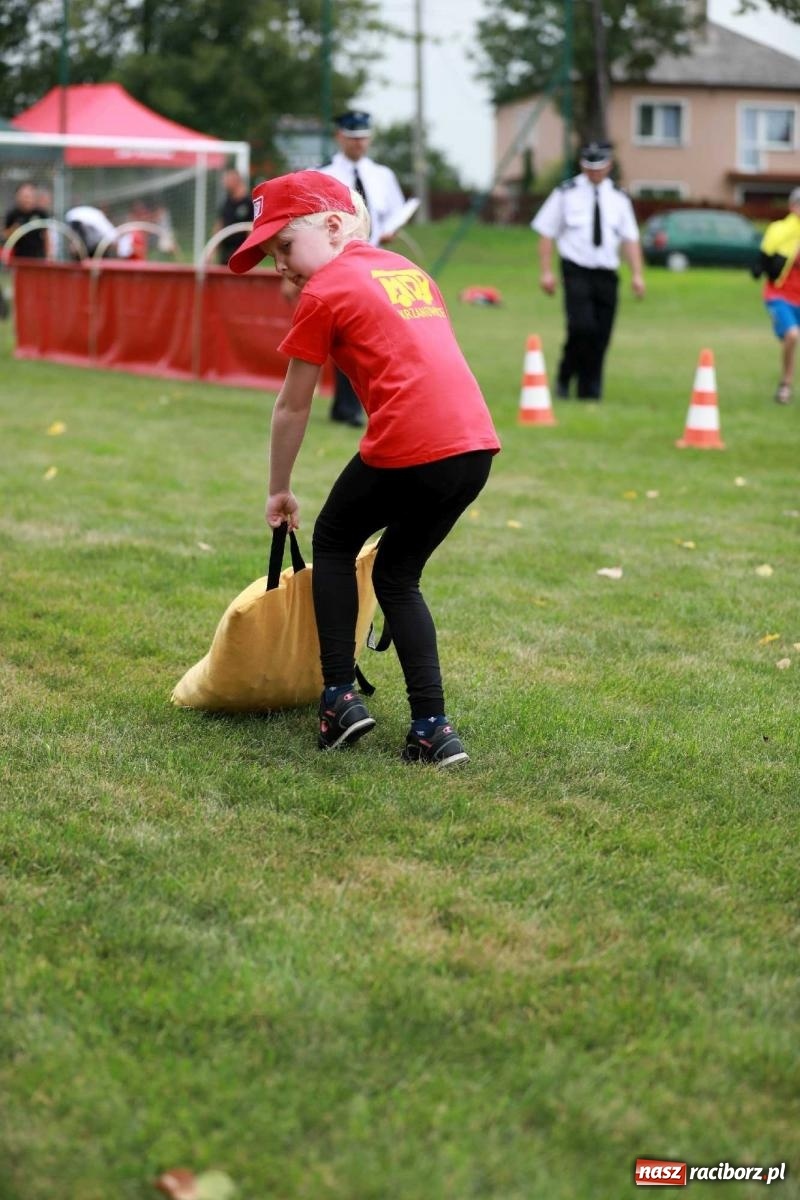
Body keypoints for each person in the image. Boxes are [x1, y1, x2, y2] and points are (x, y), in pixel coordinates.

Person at [228, 170, 500, 767]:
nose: (281, 266)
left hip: (411, 440)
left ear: (331, 226)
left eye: (285, 248)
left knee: (331, 538)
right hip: (474, 447)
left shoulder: (324, 293)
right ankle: (433, 728)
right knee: (399, 575)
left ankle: (338, 700)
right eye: (273, 256)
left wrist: (279, 489)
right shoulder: (408, 271)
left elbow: (293, 403)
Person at [532, 141, 645, 401]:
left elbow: (630, 238)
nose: (594, 172)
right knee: (581, 327)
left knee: (602, 333)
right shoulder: (565, 193)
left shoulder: (619, 197)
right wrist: (546, 272)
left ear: (609, 166)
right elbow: (546, 232)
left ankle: (590, 389)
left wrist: (637, 275)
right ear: (582, 165)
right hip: (576, 269)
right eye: (589, 167)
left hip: (606, 272)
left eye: (600, 167)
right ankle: (565, 375)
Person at [317, 110, 407, 427]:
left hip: (373, 263)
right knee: (347, 336)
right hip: (337, 266)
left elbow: (395, 213)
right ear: (339, 137)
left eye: (364, 139)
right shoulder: (323, 175)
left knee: (371, 337)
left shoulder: (383, 176)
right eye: (353, 139)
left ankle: (358, 404)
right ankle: (347, 405)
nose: (359, 145)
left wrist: (391, 230)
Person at [752, 186, 800, 405]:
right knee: (791, 336)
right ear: (792, 207)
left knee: (791, 338)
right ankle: (785, 385)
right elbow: (765, 254)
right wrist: (758, 267)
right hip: (779, 295)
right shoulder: (780, 229)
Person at [214, 169, 254, 266]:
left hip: (241, 254)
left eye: (226, 180)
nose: (223, 183)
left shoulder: (249, 202)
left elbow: (251, 229)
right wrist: (213, 250)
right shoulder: (226, 201)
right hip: (225, 253)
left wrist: (249, 253)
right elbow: (219, 224)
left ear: (235, 181)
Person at [2, 181, 50, 260]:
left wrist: (48, 255)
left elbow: (46, 236)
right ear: (18, 197)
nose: (26, 199)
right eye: (24, 196)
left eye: (29, 196)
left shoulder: (41, 213)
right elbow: (5, 236)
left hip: (38, 256)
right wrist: (14, 228)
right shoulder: (12, 214)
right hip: (18, 257)